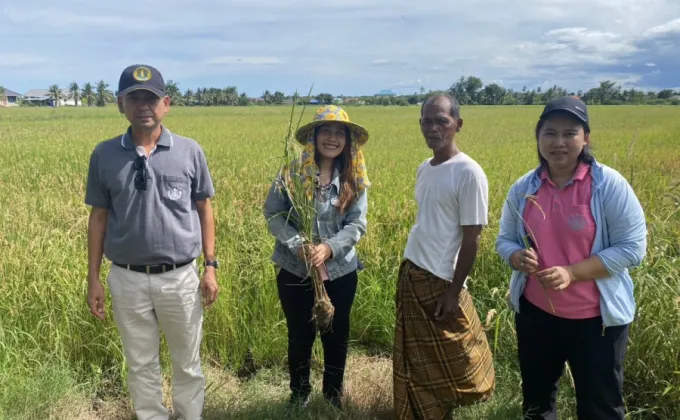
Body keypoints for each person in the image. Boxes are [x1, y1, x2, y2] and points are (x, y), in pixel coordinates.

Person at [495, 96, 647, 420]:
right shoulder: (524, 188)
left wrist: (572, 273)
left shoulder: (608, 186)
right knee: (537, 404)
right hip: (537, 315)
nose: (559, 142)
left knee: (600, 407)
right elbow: (505, 240)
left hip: (596, 322)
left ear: (586, 138)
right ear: (538, 137)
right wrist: (516, 257)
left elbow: (633, 247)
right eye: (550, 133)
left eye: (570, 133)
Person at [85, 64, 219, 420]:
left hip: (179, 277)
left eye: (151, 98)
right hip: (126, 278)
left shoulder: (189, 151)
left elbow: (205, 210)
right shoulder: (105, 155)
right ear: (120, 104)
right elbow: (98, 218)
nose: (143, 105)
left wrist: (210, 267)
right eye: (134, 97)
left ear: (166, 104)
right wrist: (93, 278)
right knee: (140, 362)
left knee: (187, 362)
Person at [393, 94, 496, 420]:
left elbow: (472, 238)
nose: (433, 128)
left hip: (441, 280)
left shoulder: (469, 173)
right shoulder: (425, 168)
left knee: (463, 361)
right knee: (415, 361)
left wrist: (454, 290)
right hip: (414, 273)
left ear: (458, 125)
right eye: (427, 120)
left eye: (442, 121)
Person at [263, 105, 370, 410]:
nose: (333, 138)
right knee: (300, 335)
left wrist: (329, 248)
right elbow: (273, 213)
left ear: (348, 140)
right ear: (314, 136)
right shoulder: (292, 172)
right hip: (294, 268)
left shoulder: (355, 176)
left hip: (340, 271)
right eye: (327, 131)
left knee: (336, 335)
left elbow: (357, 224)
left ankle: (333, 396)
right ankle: (299, 394)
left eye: (340, 133)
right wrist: (298, 244)